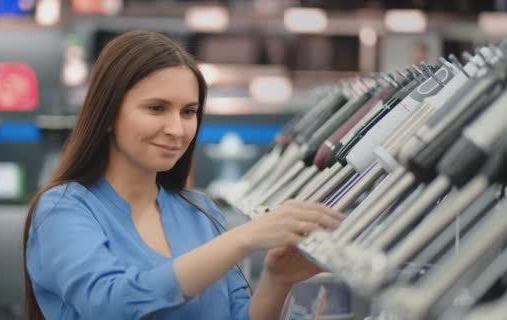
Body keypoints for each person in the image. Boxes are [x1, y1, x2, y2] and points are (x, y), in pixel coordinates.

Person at [22, 30, 343, 320]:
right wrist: (243, 238)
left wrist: (277, 279)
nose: (177, 129)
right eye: (156, 108)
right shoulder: (63, 209)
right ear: (108, 114)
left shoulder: (201, 212)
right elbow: (112, 304)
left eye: (188, 112)